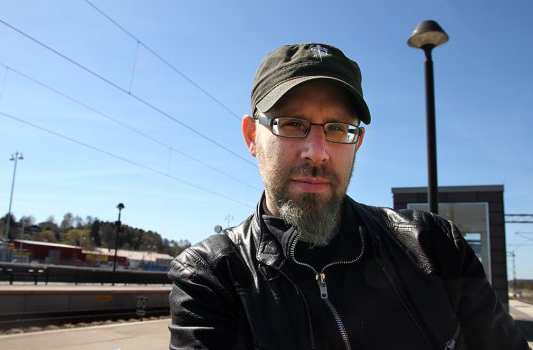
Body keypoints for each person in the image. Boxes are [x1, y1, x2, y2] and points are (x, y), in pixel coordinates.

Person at [168, 43, 529, 350]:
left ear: (357, 142)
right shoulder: (211, 276)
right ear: (251, 136)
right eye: (292, 123)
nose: (318, 152)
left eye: (338, 128)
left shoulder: (434, 247)